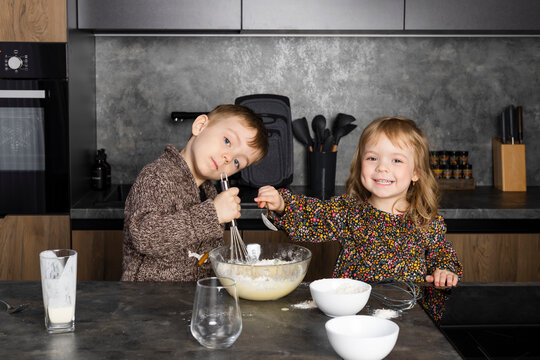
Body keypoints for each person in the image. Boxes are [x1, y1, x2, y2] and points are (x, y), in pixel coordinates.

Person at [255, 116, 462, 288]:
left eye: (396, 160)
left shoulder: (425, 221)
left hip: (409, 313)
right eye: (372, 158)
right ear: (359, 163)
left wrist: (445, 270)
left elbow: (442, 254)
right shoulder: (348, 210)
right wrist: (283, 204)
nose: (382, 167)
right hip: (354, 313)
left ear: (416, 172)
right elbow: (312, 215)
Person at [122, 104, 268, 281]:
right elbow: (145, 236)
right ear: (200, 126)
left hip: (188, 302)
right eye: (227, 141)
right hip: (148, 301)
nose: (228, 158)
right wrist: (212, 215)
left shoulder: (210, 193)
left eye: (237, 162)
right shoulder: (156, 176)